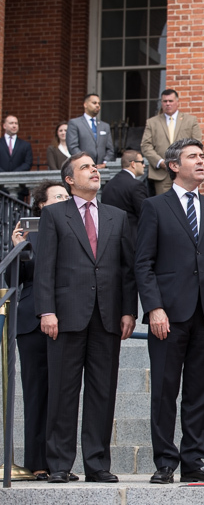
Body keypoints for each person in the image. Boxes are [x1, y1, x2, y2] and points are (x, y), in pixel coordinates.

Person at [33, 152, 137, 483]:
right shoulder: (54, 215)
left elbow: (127, 269)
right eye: (85, 167)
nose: (94, 171)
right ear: (69, 180)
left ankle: (97, 464)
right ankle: (59, 464)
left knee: (102, 392)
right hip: (65, 316)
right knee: (63, 391)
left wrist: (128, 310)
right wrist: (47, 310)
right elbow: (44, 266)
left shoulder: (117, 216)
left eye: (94, 166)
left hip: (107, 316)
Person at [135, 138, 204, 484]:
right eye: (193, 156)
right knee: (164, 391)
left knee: (200, 392)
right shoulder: (155, 207)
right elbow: (143, 263)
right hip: (168, 316)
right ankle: (165, 462)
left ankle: (194, 461)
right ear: (174, 166)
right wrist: (154, 308)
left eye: (202, 156)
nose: (201, 161)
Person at [10, 180, 71, 481]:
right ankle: (36, 462)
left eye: (66, 196)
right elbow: (15, 279)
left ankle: (59, 462)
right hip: (32, 321)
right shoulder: (29, 236)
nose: (64, 199)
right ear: (41, 205)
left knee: (62, 393)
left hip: (67, 318)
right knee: (36, 393)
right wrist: (17, 249)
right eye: (58, 196)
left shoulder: (75, 230)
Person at [141, 89, 203, 195]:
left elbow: (197, 144)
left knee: (186, 201)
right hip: (162, 174)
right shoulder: (152, 122)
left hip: (185, 171)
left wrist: (185, 162)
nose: (168, 104)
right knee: (164, 203)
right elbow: (145, 145)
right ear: (161, 103)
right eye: (165, 101)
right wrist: (160, 162)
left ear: (177, 102)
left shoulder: (190, 120)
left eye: (170, 101)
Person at [100, 149, 148, 240]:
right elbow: (144, 214)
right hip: (132, 237)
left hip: (110, 237)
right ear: (133, 164)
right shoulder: (136, 185)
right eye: (142, 162)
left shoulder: (108, 185)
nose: (144, 165)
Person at [66, 94, 115, 167]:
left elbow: (110, 149)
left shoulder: (105, 126)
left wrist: (105, 163)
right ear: (85, 105)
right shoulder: (75, 123)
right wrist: (86, 162)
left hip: (102, 168)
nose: (97, 105)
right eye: (94, 103)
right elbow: (72, 147)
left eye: (99, 103)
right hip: (83, 166)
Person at [0, 115, 33, 200]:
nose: (14, 125)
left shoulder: (25, 145)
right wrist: (5, 175)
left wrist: (13, 175)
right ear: (4, 126)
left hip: (19, 187)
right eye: (11, 123)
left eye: (16, 123)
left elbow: (28, 163)